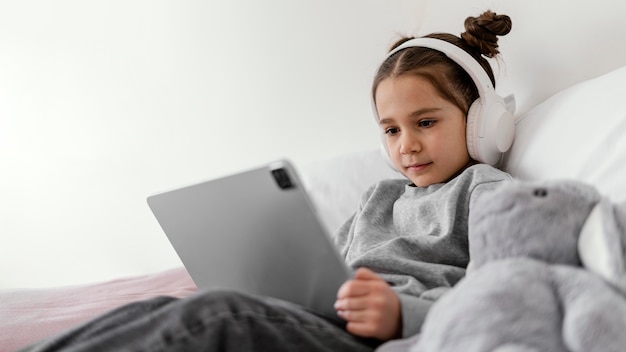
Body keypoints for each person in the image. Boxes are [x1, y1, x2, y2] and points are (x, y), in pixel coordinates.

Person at [19, 9, 513, 352]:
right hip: (322, 322)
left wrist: (403, 314)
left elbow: (507, 296)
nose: (406, 144)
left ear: (479, 122)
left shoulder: (485, 192)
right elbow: (327, 274)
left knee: (216, 318)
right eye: (391, 129)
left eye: (425, 123)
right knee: (156, 308)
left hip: (377, 338)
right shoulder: (378, 197)